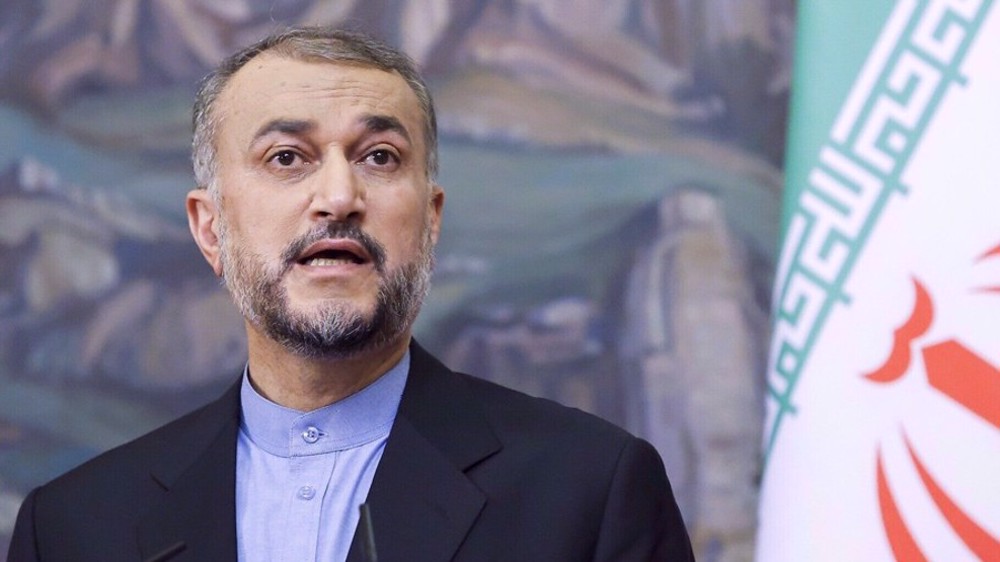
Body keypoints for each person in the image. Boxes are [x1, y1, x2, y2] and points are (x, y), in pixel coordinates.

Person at [7, 27, 693, 562]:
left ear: (430, 221)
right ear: (210, 228)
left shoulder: (590, 490)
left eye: (379, 157)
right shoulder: (72, 527)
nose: (338, 196)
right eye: (286, 158)